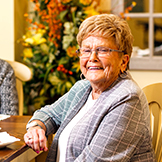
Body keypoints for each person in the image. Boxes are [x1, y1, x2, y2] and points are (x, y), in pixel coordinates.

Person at [24, 14, 156, 161]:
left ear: (123, 61)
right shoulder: (83, 88)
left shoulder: (127, 98)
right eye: (86, 50)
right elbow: (49, 114)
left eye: (103, 50)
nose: (92, 57)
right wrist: (36, 127)